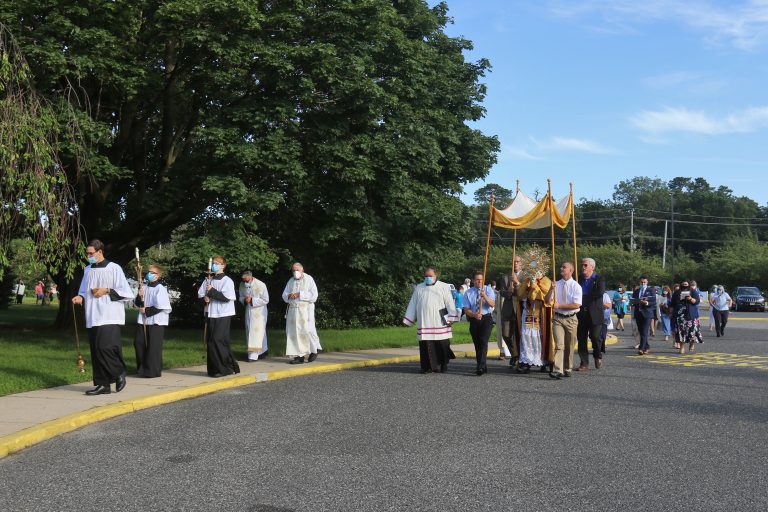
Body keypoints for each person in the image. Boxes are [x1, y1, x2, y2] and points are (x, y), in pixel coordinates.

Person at [71, 240, 133, 395]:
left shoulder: (114, 268)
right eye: (87, 253)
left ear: (100, 252)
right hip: (93, 315)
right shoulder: (88, 270)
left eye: (91, 253)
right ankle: (102, 384)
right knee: (95, 350)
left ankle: (119, 372)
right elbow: (84, 290)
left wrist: (106, 290)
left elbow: (126, 292)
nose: (88, 256)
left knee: (105, 347)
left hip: (110, 314)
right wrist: (80, 297)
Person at [403, 266, 458, 373]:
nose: (428, 278)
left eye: (430, 276)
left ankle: (443, 364)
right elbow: (413, 304)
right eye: (426, 276)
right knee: (426, 346)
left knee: (442, 345)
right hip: (425, 322)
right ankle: (426, 367)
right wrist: (409, 319)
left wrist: (452, 317)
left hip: (440, 321)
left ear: (436, 276)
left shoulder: (443, 287)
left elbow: (449, 303)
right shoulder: (419, 288)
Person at [198, 255, 240, 377]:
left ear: (223, 266)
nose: (214, 265)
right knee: (210, 341)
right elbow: (200, 295)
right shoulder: (207, 280)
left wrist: (211, 292)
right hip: (211, 313)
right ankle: (214, 369)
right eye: (213, 263)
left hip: (223, 314)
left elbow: (227, 298)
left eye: (217, 263)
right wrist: (205, 298)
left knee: (218, 340)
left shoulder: (227, 281)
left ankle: (225, 368)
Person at [134, 264, 172, 377]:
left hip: (156, 321)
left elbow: (161, 306)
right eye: (148, 272)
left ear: (158, 276)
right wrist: (139, 297)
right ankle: (142, 368)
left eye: (152, 272)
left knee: (153, 346)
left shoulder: (160, 289)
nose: (149, 274)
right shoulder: (144, 287)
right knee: (139, 342)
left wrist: (147, 310)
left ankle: (152, 370)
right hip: (144, 320)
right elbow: (138, 303)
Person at [547, 262, 582, 379]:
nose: (561, 268)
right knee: (559, 345)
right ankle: (558, 370)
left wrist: (560, 306)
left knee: (569, 345)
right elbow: (547, 301)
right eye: (561, 267)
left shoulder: (576, 286)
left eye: (564, 267)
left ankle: (568, 367)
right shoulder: (556, 284)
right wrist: (550, 290)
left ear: (571, 270)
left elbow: (577, 305)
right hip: (558, 318)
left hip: (571, 319)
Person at [282, 262, 322, 364]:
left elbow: (314, 296)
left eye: (297, 270)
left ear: (302, 270)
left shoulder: (309, 279)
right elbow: (284, 295)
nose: (295, 272)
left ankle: (313, 350)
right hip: (293, 310)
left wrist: (300, 294)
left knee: (307, 330)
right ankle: (298, 355)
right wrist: (290, 295)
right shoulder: (291, 281)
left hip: (305, 310)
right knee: (293, 332)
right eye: (293, 270)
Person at [517, 269, 553, 373]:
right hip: (527, 312)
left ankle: (543, 361)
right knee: (526, 335)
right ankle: (526, 362)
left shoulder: (546, 280)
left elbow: (546, 296)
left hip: (541, 313)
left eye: (537, 269)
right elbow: (520, 295)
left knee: (541, 336)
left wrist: (535, 286)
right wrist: (527, 286)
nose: (534, 272)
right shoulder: (526, 280)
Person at [462, 271, 496, 375]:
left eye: (481, 279)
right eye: (477, 279)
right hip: (474, 318)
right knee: (477, 343)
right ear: (473, 281)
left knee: (483, 341)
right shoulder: (468, 292)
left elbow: (492, 304)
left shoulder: (488, 289)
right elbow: (466, 309)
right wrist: (474, 315)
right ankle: (482, 365)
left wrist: (484, 296)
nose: (479, 281)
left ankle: (480, 367)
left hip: (486, 318)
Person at [576, 258, 606, 370]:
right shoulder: (578, 279)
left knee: (595, 336)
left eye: (585, 265)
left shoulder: (599, 279)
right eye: (582, 265)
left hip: (595, 313)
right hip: (581, 313)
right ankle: (584, 363)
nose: (583, 267)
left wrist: (580, 298)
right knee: (581, 338)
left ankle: (598, 355)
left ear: (592, 267)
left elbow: (599, 293)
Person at [239, 271, 269, 361]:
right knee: (250, 331)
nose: (246, 283)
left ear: (251, 278)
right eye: (244, 281)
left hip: (259, 312)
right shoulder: (242, 285)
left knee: (256, 333)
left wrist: (252, 300)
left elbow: (266, 299)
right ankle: (263, 351)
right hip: (248, 311)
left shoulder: (261, 285)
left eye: (247, 281)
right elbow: (240, 296)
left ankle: (253, 355)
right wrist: (244, 299)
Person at [499, 256, 523, 368]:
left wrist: (517, 283)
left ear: (521, 263)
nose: (515, 263)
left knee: (519, 335)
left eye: (517, 262)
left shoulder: (526, 276)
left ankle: (520, 358)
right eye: (514, 262)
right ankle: (515, 354)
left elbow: (527, 291)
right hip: (508, 309)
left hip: (520, 309)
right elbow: (502, 292)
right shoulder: (505, 276)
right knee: (506, 334)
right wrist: (508, 291)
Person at [671, 279, 702, 354]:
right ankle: (682, 348)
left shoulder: (693, 291)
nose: (685, 286)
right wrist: (671, 313)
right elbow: (672, 303)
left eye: (686, 285)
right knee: (681, 331)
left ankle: (692, 343)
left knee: (692, 331)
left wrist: (690, 298)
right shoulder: (677, 292)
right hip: (680, 314)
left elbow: (697, 301)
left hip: (691, 314)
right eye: (683, 285)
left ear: (689, 285)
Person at [632, 276, 657, 355]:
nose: (643, 284)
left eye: (644, 282)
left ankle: (641, 348)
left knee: (645, 331)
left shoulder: (651, 290)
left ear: (647, 282)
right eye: (641, 282)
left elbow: (654, 302)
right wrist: (633, 302)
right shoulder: (636, 291)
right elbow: (633, 300)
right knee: (641, 331)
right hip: (638, 313)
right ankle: (647, 346)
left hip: (647, 313)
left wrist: (646, 303)